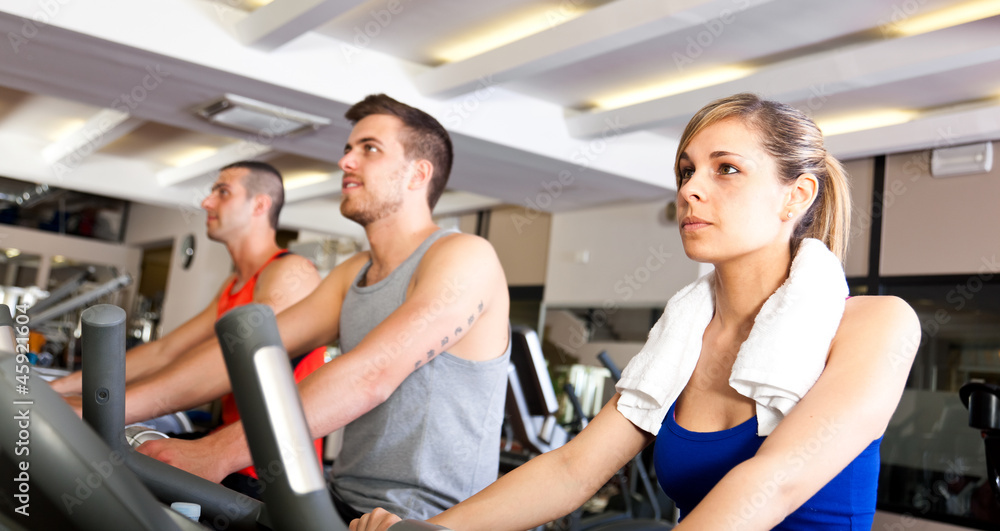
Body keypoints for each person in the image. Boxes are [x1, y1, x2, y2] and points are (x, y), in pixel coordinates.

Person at [349, 93, 921, 531]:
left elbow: (774, 482)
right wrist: (431, 528)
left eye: (726, 169)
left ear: (796, 196)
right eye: (686, 170)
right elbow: (573, 470)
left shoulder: (876, 324)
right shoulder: (682, 339)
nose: (691, 189)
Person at [134, 93, 512, 521]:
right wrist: (109, 402)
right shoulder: (353, 271)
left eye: (369, 149)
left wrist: (215, 452)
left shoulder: (465, 255)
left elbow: (373, 374)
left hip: (432, 521)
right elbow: (238, 358)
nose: (346, 161)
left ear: (417, 174)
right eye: (348, 149)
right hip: (344, 505)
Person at [51, 160, 328, 492]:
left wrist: (104, 408)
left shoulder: (292, 272)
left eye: (222, 192)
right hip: (227, 451)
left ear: (260, 204)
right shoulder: (234, 285)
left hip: (271, 474)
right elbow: (165, 351)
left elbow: (232, 359)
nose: (206, 202)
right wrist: (61, 387)